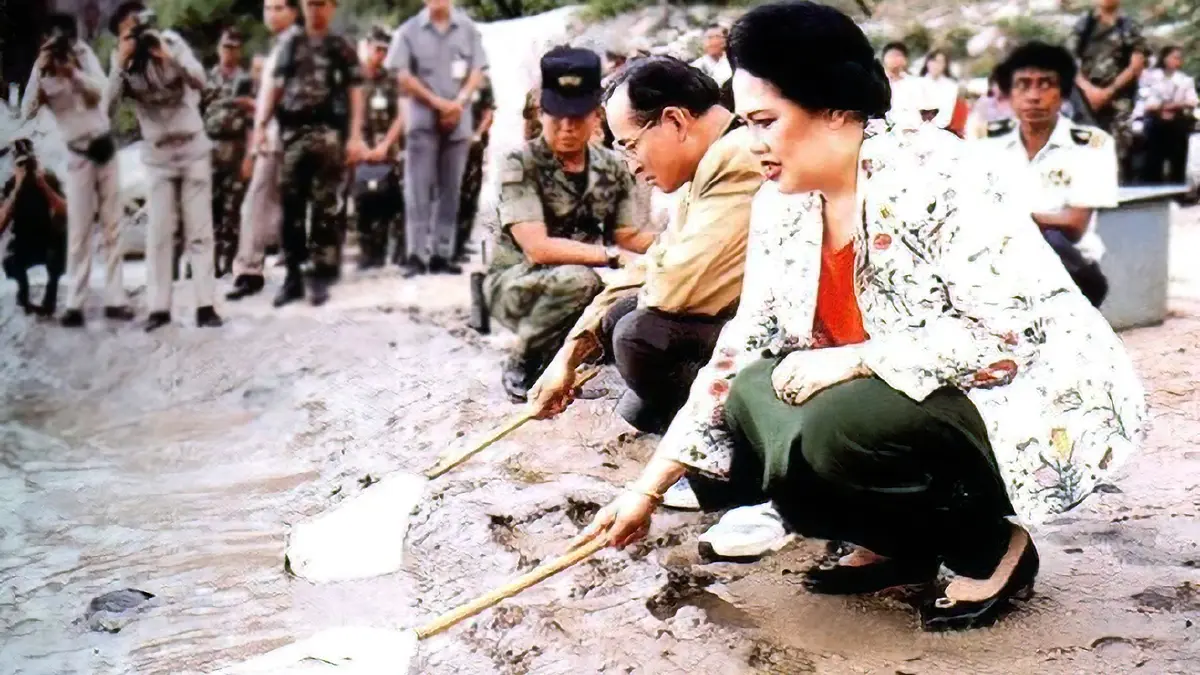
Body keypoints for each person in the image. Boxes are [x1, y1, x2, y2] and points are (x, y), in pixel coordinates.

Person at [575, 0, 1145, 632]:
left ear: (835, 108)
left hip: (1022, 398)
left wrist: (853, 358)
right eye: (746, 122)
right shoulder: (782, 204)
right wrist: (646, 491)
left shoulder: (937, 173)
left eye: (765, 121)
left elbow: (1009, 336)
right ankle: (897, 542)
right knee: (753, 395)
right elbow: (742, 345)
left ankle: (993, 547)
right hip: (901, 398)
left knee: (830, 425)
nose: (751, 142)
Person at [527, 55, 762, 439]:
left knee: (641, 334)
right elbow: (654, 264)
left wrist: (649, 273)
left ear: (675, 121)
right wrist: (568, 356)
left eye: (631, 146)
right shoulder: (709, 164)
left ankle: (726, 464)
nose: (633, 166)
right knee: (624, 314)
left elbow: (676, 288)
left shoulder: (737, 158)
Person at [485, 47, 652, 403]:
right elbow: (538, 248)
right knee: (582, 280)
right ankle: (523, 363)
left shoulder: (609, 166)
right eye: (557, 116)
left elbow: (630, 236)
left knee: (639, 284)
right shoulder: (521, 166)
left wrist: (679, 244)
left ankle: (566, 360)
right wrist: (613, 257)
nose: (567, 127)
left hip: (574, 277)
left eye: (577, 116)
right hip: (517, 282)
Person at [106, 1, 223, 331]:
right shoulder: (121, 62)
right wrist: (119, 64)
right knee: (159, 233)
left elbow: (201, 80)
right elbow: (105, 109)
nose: (139, 35)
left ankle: (205, 305)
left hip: (192, 148)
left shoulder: (170, 43)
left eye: (141, 25)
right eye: (131, 31)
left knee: (199, 230)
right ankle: (159, 308)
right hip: (158, 156)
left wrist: (167, 57)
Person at [23, 12, 132, 328]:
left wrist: (73, 74)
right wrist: (41, 71)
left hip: (103, 148)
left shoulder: (82, 57)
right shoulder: (42, 67)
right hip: (77, 155)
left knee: (113, 227)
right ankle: (75, 303)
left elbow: (100, 95)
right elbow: (28, 111)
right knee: (79, 231)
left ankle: (115, 300)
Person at [987, 42, 1116, 308]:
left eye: (1045, 84)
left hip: (1068, 271)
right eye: (1023, 84)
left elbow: (1074, 224)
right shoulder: (987, 144)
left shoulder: (1091, 145)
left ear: (1063, 94)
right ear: (1009, 94)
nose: (1034, 96)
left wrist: (1010, 220)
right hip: (1001, 270)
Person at [256, 0, 367, 307]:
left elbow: (356, 93)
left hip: (329, 133)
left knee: (324, 207)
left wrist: (356, 136)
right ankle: (292, 275)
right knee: (290, 206)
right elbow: (277, 88)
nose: (314, 10)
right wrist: (261, 124)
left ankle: (319, 275)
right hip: (293, 134)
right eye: (309, 4)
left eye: (320, 4)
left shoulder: (340, 47)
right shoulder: (291, 45)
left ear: (331, 8)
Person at [386, 0, 488, 278]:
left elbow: (477, 71)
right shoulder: (408, 32)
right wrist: (438, 103)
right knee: (418, 190)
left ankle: (442, 254)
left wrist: (458, 103)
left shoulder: (467, 29)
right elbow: (403, 76)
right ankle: (416, 254)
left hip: (457, 120)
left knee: (451, 189)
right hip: (422, 119)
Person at [226, 0, 299, 302]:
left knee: (272, 202)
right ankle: (250, 270)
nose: (271, 14)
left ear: (294, 11)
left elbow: (282, 92)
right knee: (259, 201)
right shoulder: (280, 45)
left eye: (279, 7)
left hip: (288, 133)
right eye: (268, 8)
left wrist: (261, 126)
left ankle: (257, 269)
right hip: (275, 134)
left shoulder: (296, 44)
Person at [1069, 0, 1148, 184]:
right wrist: (1089, 91)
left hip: (1119, 100)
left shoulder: (1129, 25)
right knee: (1084, 149)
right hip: (1086, 100)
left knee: (1116, 153)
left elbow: (1136, 64)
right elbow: (1069, 60)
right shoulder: (1085, 24)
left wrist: (1108, 92)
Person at [203, 27, 254, 278]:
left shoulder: (246, 81)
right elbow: (194, 114)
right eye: (225, 47)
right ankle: (206, 262)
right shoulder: (204, 79)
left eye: (234, 47)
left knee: (232, 210)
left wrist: (249, 157)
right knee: (208, 208)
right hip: (209, 149)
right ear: (218, 48)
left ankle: (228, 261)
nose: (229, 52)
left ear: (239, 50)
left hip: (235, 149)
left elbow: (254, 120)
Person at [354, 24, 405, 270]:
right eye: (377, 50)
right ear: (366, 48)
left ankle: (385, 250)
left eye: (385, 51)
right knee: (362, 200)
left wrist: (385, 144)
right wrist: (361, 146)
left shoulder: (391, 80)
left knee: (388, 199)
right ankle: (367, 253)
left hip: (387, 151)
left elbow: (401, 115)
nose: (380, 55)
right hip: (359, 150)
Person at [0, 139, 67, 317]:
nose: (26, 167)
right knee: (9, 260)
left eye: (29, 162)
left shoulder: (48, 178)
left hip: (47, 239)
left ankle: (49, 299)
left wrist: (43, 185)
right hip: (23, 243)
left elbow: (65, 210)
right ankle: (24, 296)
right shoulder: (10, 185)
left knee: (63, 242)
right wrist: (17, 187)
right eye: (21, 163)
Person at [1139, 45, 1198, 185]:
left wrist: (1173, 106)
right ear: (1165, 58)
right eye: (1174, 57)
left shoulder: (1185, 80)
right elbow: (1146, 101)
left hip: (1177, 123)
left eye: (1180, 58)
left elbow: (1192, 101)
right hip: (1155, 122)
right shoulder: (1150, 77)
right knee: (1153, 160)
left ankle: (1178, 189)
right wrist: (1163, 108)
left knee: (1178, 159)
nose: (1178, 61)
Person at [455, 69, 495, 262]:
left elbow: (489, 112)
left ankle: (461, 242)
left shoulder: (483, 81)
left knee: (471, 193)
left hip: (474, 146)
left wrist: (477, 134)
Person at [881, 41, 923, 127]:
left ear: (905, 60)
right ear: (884, 58)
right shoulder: (876, 82)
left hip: (910, 129)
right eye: (891, 56)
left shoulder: (914, 83)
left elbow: (919, 110)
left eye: (898, 56)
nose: (894, 59)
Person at [920, 49, 959, 131]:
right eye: (933, 61)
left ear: (945, 65)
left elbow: (947, 112)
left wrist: (933, 126)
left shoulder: (951, 86)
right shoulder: (917, 83)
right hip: (918, 127)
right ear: (927, 63)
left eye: (940, 62)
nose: (935, 65)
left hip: (941, 129)